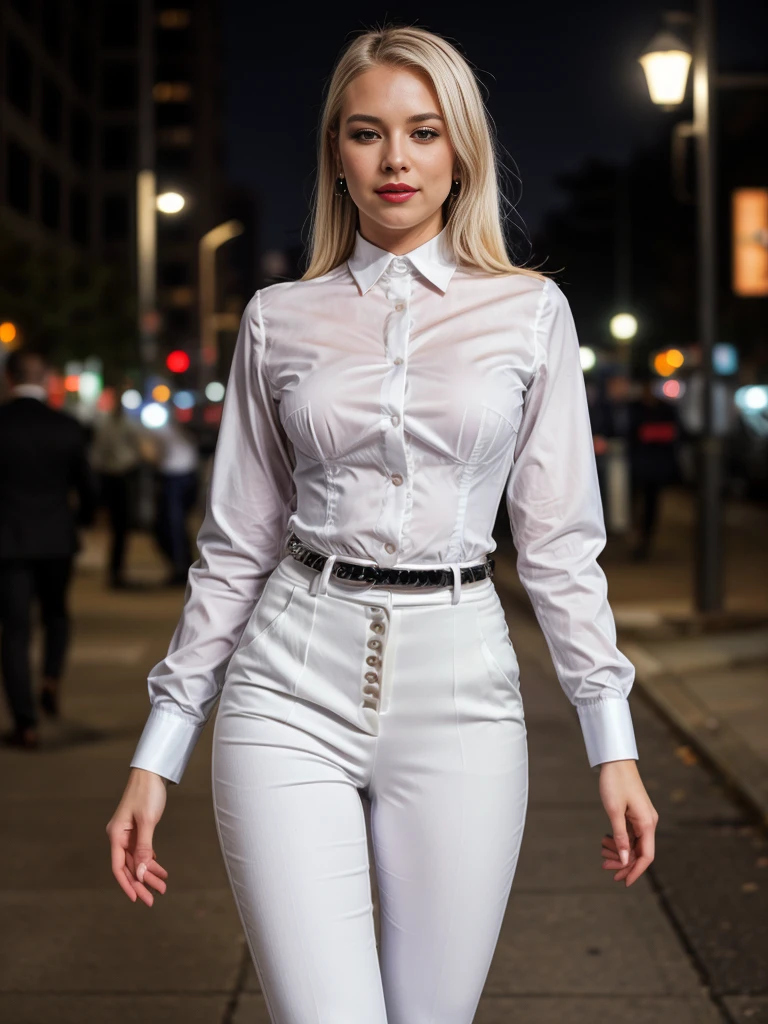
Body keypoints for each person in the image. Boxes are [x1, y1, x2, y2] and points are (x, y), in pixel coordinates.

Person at [107, 24, 659, 1024]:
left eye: (423, 132)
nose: (396, 159)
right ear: (337, 155)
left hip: (462, 687)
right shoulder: (278, 316)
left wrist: (609, 736)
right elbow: (235, 542)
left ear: (462, 154)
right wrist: (160, 747)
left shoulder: (530, 313)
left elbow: (561, 544)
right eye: (367, 133)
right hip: (288, 682)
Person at [0, 348, 97, 747]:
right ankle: (51, 679)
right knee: (57, 615)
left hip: (7, 542)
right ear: (44, 379)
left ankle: (26, 722)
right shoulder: (67, 426)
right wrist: (82, 521)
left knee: (15, 630)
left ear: (9, 378)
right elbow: (89, 489)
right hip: (57, 539)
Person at [91, 393, 144, 589]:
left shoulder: (114, 425)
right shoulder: (116, 425)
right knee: (120, 528)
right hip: (117, 477)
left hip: (116, 476)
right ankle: (116, 571)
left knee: (120, 528)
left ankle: (116, 570)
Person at [627, 376, 681, 561]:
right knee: (633, 503)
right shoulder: (634, 408)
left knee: (651, 504)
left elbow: (672, 432)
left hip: (654, 467)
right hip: (637, 465)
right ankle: (636, 537)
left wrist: (649, 433)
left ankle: (644, 540)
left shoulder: (665, 409)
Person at [147, 419, 200, 586]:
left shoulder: (180, 434)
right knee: (172, 525)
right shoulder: (168, 431)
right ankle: (181, 566)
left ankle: (181, 568)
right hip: (178, 477)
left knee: (173, 525)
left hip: (176, 478)